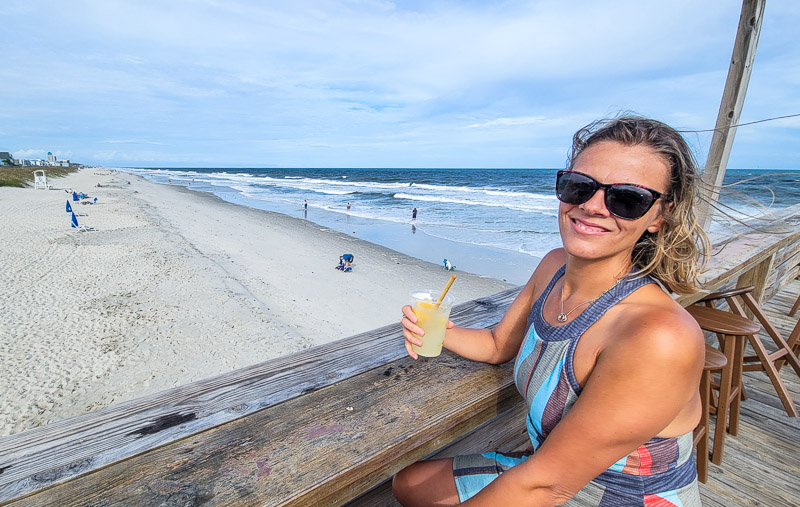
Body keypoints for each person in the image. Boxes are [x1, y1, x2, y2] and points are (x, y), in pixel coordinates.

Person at [394, 116, 709, 506]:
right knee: (410, 485)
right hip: (549, 466)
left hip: (612, 494)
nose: (593, 206)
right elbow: (497, 345)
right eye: (580, 187)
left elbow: (546, 487)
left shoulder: (659, 336)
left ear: (659, 216)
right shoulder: (553, 266)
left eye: (627, 198)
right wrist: (438, 331)